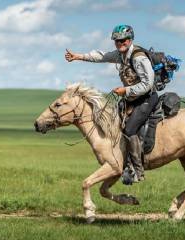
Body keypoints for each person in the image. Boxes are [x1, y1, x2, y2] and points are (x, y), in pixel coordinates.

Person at [65, 24, 158, 182]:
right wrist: (78, 56)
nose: (120, 43)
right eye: (117, 41)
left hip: (147, 98)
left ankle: (137, 170)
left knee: (129, 130)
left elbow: (148, 83)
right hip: (131, 99)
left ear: (130, 40)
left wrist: (125, 91)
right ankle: (122, 162)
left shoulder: (138, 58)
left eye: (123, 40)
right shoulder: (120, 55)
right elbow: (102, 56)